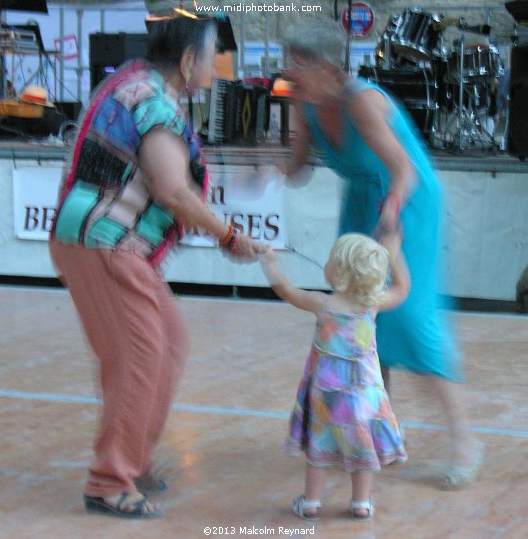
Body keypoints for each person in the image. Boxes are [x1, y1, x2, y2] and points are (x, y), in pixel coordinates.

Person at [49, 15, 261, 519]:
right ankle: (109, 481)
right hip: (105, 242)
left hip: (105, 242)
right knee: (142, 357)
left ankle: (131, 462)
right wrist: (228, 234)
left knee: (164, 346)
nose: (215, 69)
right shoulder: (152, 99)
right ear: (188, 61)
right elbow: (171, 191)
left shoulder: (135, 82)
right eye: (212, 59)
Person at [280, 21, 484, 490]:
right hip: (360, 203)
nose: (289, 70)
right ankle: (369, 435)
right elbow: (296, 169)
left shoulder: (362, 102)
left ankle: (466, 442)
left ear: (330, 68)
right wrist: (270, 175)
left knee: (411, 318)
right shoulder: (303, 102)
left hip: (404, 202)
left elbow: (404, 170)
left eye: (299, 62)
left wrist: (390, 213)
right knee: (360, 318)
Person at [260, 232, 409, 521]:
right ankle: (361, 504)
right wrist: (394, 254)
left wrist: (269, 263)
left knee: (319, 446)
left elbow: (287, 292)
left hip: (326, 394)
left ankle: (311, 502)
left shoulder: (323, 304)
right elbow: (403, 288)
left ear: (339, 272)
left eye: (330, 260)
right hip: (366, 395)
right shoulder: (372, 305)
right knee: (362, 447)